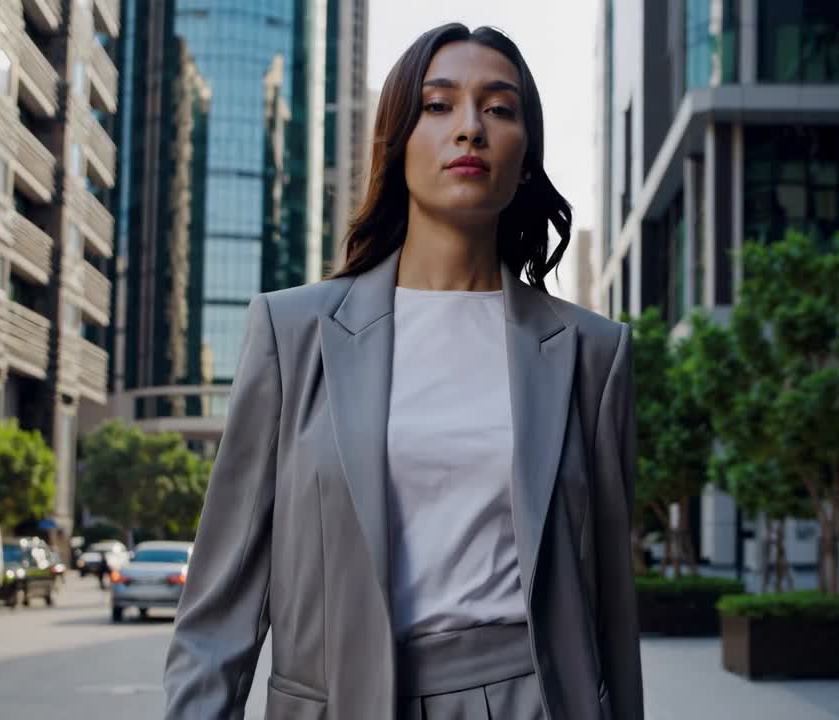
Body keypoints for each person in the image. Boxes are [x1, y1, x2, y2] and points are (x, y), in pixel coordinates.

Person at [163, 22, 641, 720]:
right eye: (438, 105)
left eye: (499, 109)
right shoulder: (293, 332)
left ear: (526, 153)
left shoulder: (592, 352)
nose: (470, 129)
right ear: (396, 141)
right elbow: (218, 612)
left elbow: (610, 617)